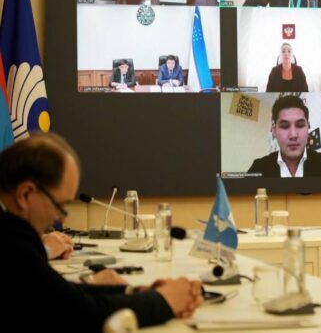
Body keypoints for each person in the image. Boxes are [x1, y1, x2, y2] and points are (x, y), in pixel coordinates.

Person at [0, 133, 203, 330]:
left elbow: (59, 294)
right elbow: (82, 314)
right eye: (60, 206)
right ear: (25, 195)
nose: (62, 219)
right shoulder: (10, 243)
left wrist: (135, 292)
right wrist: (164, 300)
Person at [247, 95, 321, 178]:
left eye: (300, 125)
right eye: (284, 126)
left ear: (308, 128)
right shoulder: (258, 167)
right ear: (274, 131)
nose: (293, 135)